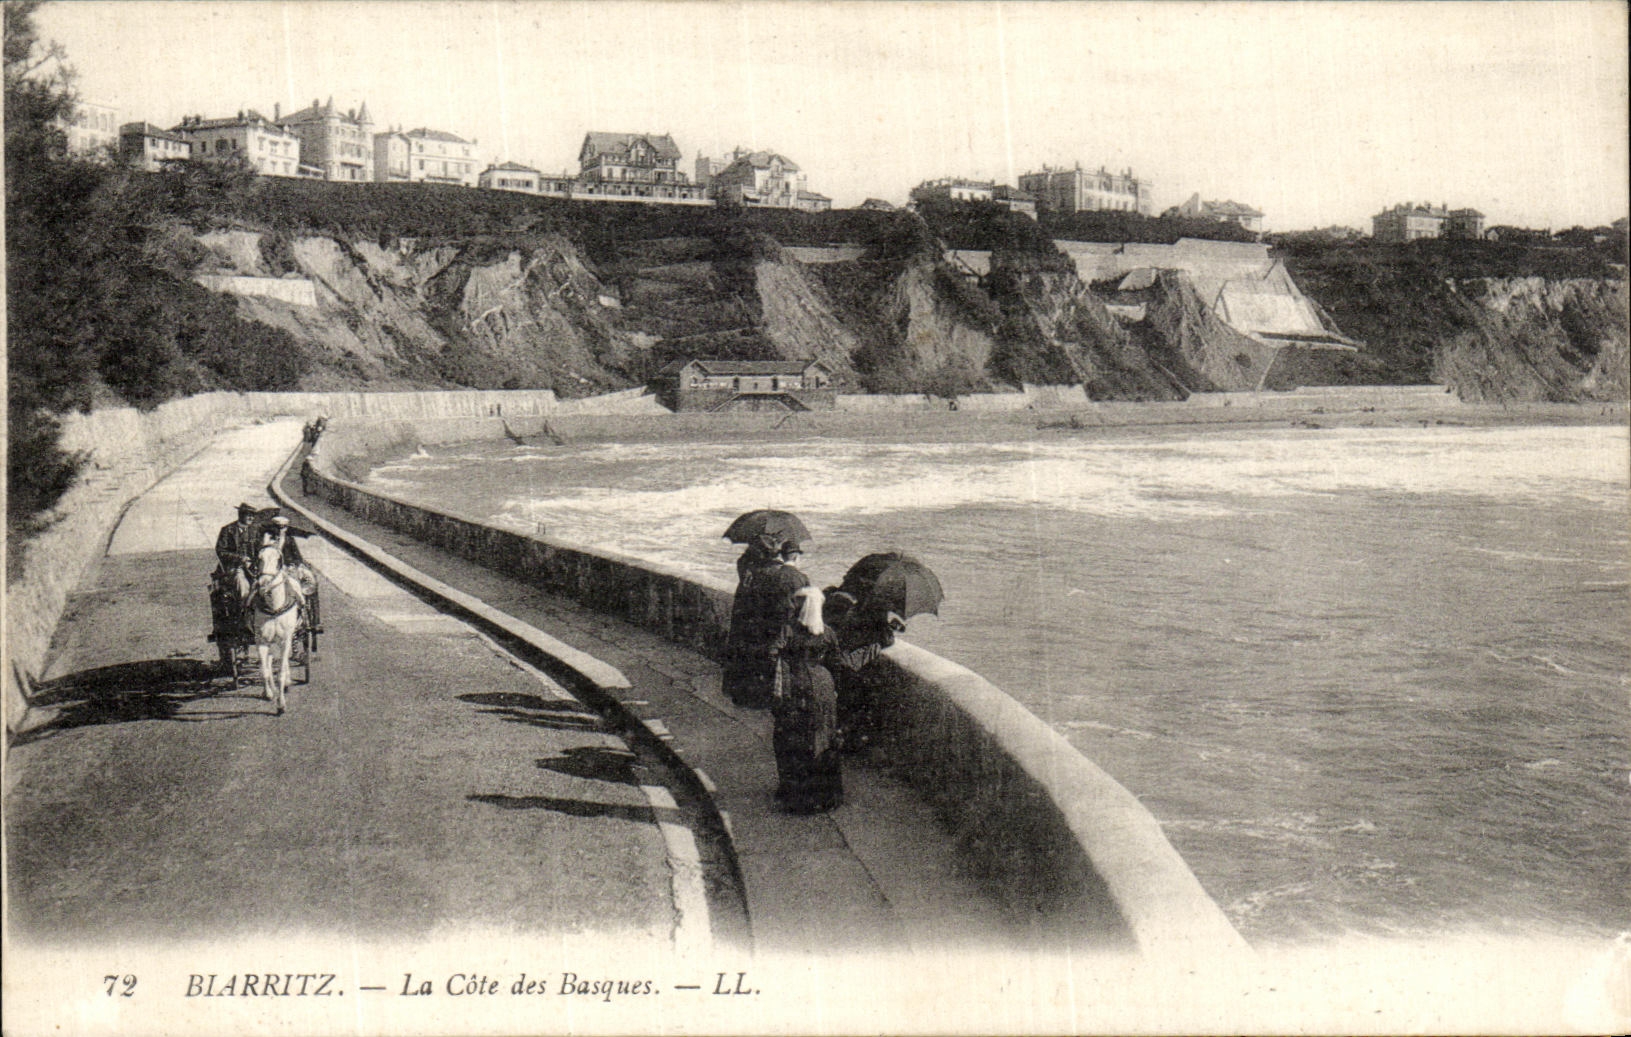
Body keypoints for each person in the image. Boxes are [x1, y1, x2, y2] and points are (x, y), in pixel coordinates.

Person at [722, 533, 792, 708]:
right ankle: (758, 698)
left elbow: (743, 560)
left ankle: (741, 695)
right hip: (761, 622)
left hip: (744, 619)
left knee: (743, 658)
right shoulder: (773, 572)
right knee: (760, 660)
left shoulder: (746, 567)